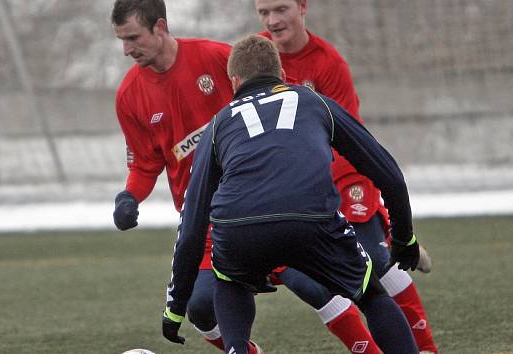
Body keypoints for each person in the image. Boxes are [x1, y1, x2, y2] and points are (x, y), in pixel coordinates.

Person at [111, 0, 378, 352]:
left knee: (314, 286)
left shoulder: (215, 57)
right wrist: (129, 196)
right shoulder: (129, 96)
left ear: (160, 27)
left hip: (264, 197)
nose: (127, 49)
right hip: (212, 221)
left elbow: (283, 92)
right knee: (200, 307)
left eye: (133, 38)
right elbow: (145, 164)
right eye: (121, 40)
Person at [163, 34, 421, 354]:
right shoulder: (314, 101)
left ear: (233, 82)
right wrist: (405, 239)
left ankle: (237, 348)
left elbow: (192, 221)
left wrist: (175, 305)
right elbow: (389, 174)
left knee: (231, 283)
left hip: (240, 228)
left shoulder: (219, 124)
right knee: (372, 296)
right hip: (311, 219)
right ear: (282, 76)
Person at [254, 0, 438, 352]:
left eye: (280, 9)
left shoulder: (328, 62)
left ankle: (426, 346)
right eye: (264, 12)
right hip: (292, 188)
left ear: (302, 6)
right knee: (311, 283)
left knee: (371, 264)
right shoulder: (257, 56)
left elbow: (346, 140)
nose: (273, 20)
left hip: (343, 175)